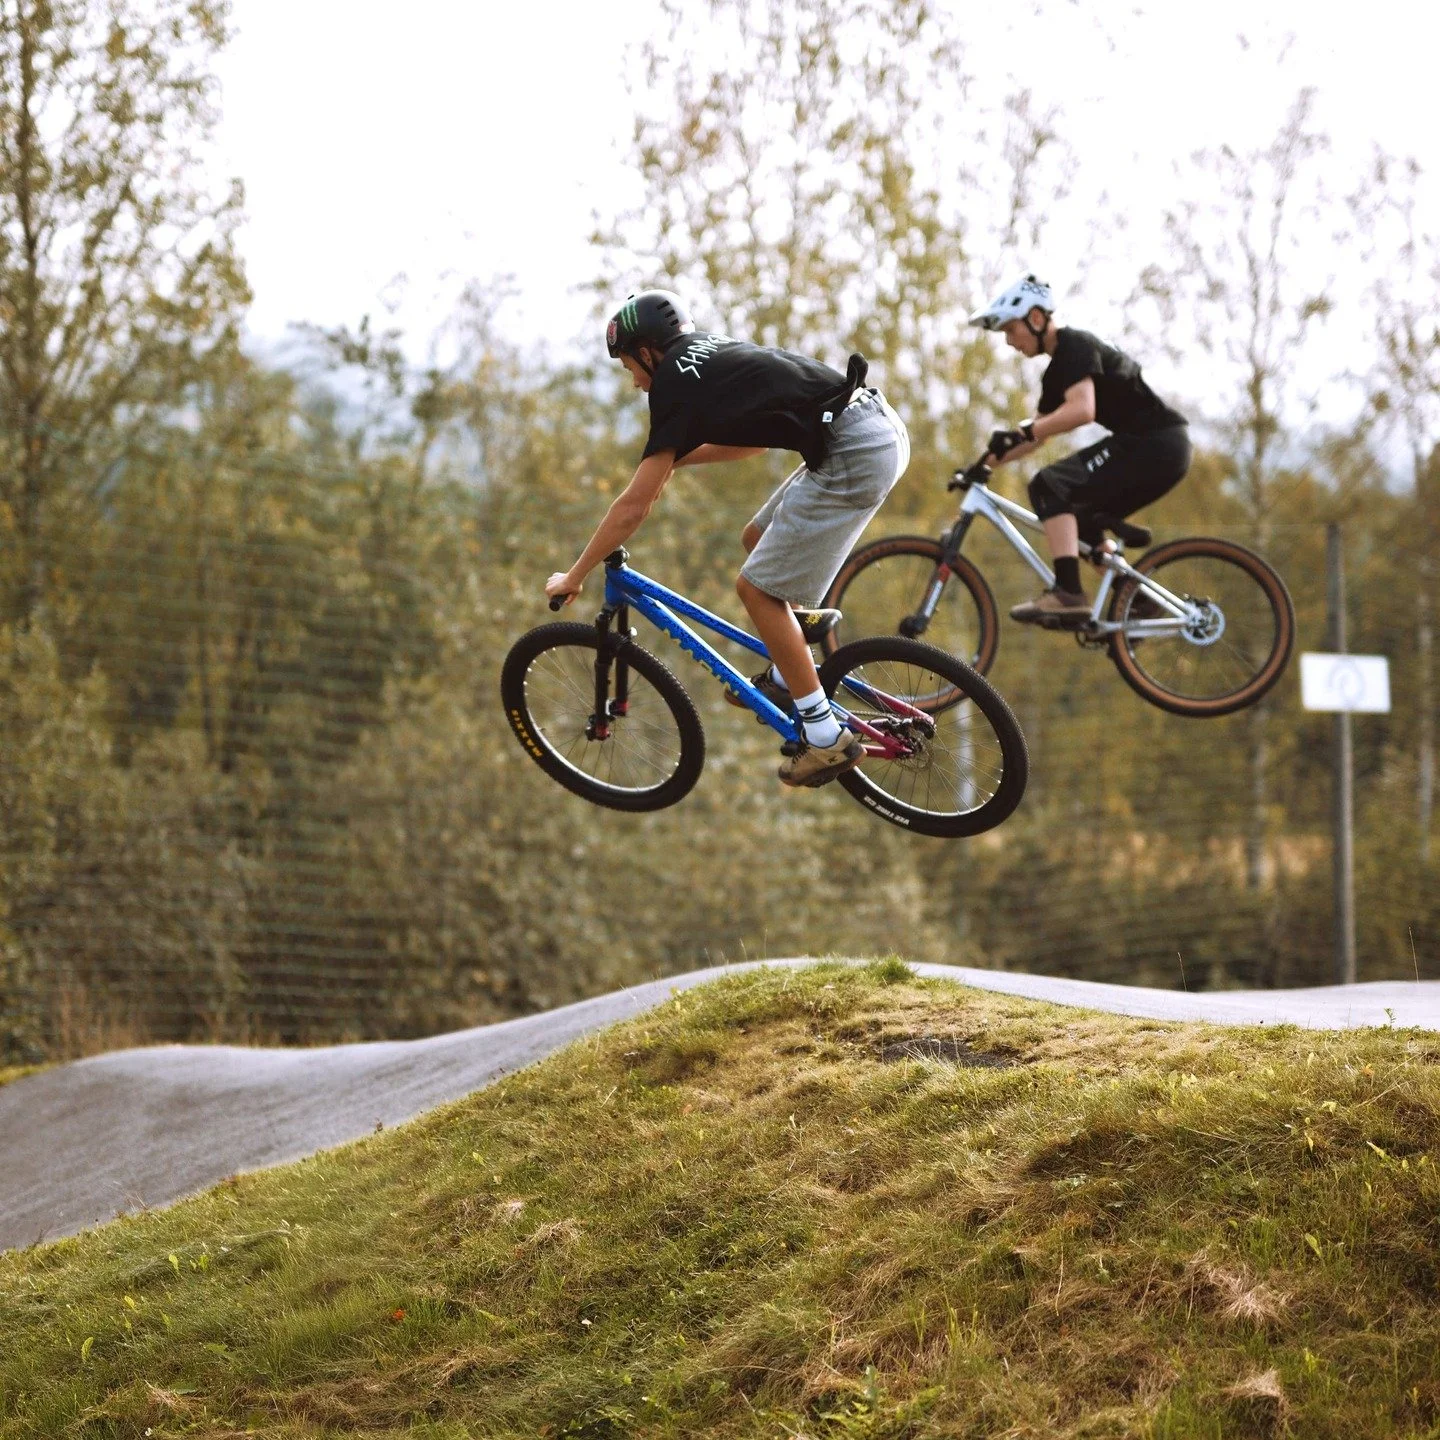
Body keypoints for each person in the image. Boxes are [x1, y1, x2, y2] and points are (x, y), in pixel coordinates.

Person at [546, 289, 910, 788]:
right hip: (873, 427)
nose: (633, 381)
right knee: (756, 537)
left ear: (648, 351)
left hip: (853, 448)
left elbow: (634, 506)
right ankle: (791, 663)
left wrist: (576, 574)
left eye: (629, 365)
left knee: (755, 590)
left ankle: (825, 738)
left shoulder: (670, 382)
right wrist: (676, 458)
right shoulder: (707, 353)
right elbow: (756, 442)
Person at [969, 274, 1190, 624]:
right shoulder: (1058, 372)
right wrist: (982, 465)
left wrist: (1026, 429)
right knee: (1078, 515)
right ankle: (1139, 598)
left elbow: (1081, 410)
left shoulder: (1075, 346)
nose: (1010, 341)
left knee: (1047, 485)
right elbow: (1037, 437)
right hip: (1157, 447)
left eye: (1011, 330)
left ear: (1037, 319)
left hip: (1155, 442)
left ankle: (1068, 593)